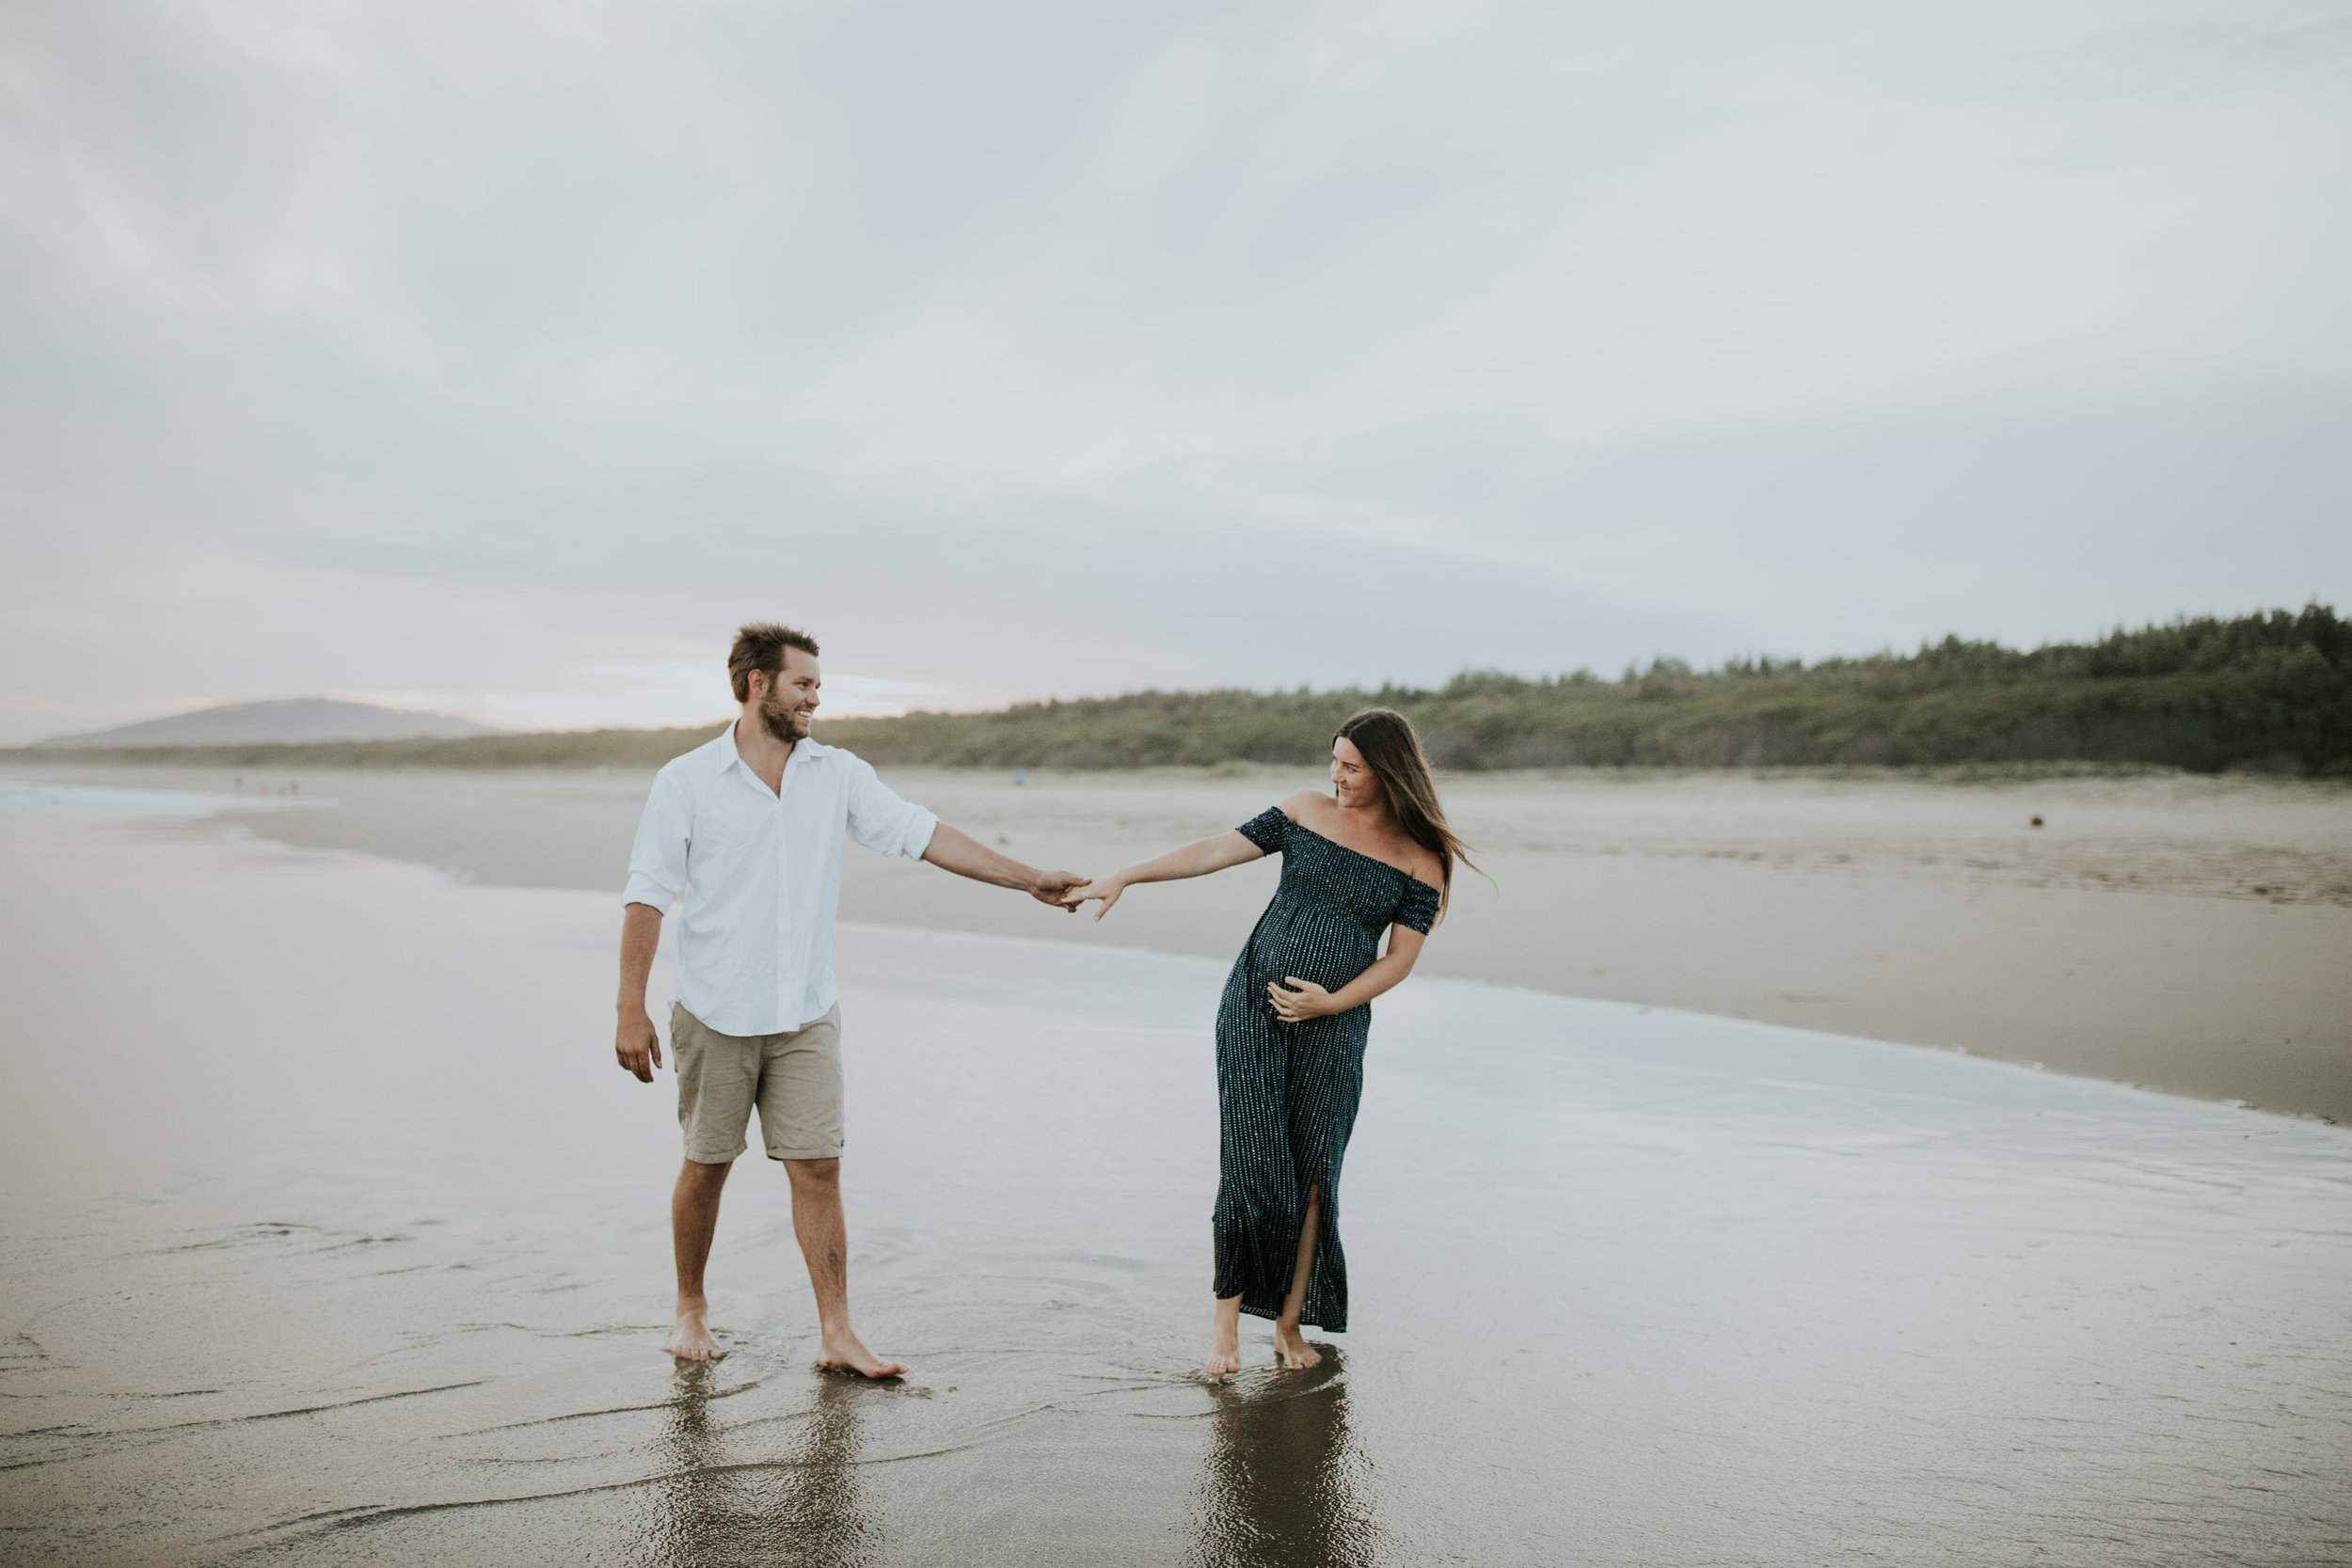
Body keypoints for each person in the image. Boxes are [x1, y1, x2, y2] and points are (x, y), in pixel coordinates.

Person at [614, 623, 1085, 1373]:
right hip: (715, 1012)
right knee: (707, 1164)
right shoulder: (686, 781)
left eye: (817, 685)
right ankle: (691, 1307)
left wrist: (1028, 878)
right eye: (803, 683)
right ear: (758, 683)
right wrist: (628, 1006)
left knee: (819, 1167)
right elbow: (647, 895)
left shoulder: (836, 774)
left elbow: (922, 833)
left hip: (804, 1011)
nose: (816, 697)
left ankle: (836, 1332)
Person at [1067, 707, 1478, 1374]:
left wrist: (1331, 1002)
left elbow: (1400, 959)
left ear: (1389, 773)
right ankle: (1225, 1327)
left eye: (1352, 766)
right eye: (1334, 760)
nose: (1336, 776)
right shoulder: (1304, 810)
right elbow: (1211, 851)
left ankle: (1288, 1326)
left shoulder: (1420, 860)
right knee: (1253, 1155)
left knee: (1316, 1173)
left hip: (1337, 1027)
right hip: (1254, 1008)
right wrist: (1126, 874)